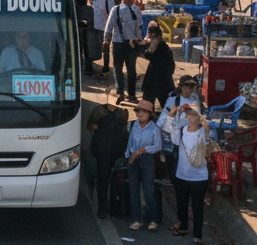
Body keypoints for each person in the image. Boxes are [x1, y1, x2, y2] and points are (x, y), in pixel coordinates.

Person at [170, 105, 211, 245]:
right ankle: (183, 227)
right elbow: (173, 135)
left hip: (199, 177)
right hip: (182, 174)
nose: (191, 116)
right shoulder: (181, 131)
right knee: (181, 203)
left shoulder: (203, 132)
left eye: (194, 114)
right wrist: (175, 114)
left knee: (197, 207)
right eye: (189, 114)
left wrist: (206, 129)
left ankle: (197, 235)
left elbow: (209, 145)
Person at [87, 88, 129, 218]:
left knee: (117, 181)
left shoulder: (123, 112)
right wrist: (100, 127)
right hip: (102, 151)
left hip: (117, 151)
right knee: (103, 180)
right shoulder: (99, 111)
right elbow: (90, 126)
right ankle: (102, 208)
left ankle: (115, 208)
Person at [157, 75, 202, 189]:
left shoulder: (195, 100)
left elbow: (197, 120)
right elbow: (162, 120)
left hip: (185, 140)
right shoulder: (173, 99)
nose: (189, 90)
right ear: (181, 87)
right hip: (170, 138)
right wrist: (171, 114)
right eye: (186, 86)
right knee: (171, 166)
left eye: (192, 87)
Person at [125, 99, 162, 230]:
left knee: (148, 190)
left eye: (144, 112)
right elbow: (129, 142)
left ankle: (153, 219)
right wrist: (129, 155)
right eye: (138, 111)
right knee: (133, 190)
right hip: (133, 160)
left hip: (147, 160)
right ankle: (137, 219)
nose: (140, 114)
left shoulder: (154, 128)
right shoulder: (133, 125)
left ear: (150, 114)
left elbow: (157, 146)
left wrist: (141, 150)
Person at [104, 0, 144, 103]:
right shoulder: (118, 10)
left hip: (127, 43)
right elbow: (109, 27)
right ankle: (123, 93)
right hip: (120, 43)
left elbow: (108, 27)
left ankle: (126, 93)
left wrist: (105, 40)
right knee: (121, 69)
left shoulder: (135, 10)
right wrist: (105, 40)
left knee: (127, 69)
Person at [138, 22, 176, 108]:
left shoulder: (159, 46)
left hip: (160, 79)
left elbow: (149, 54)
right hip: (159, 78)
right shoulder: (161, 45)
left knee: (165, 105)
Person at [87, 0, 112, 75]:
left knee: (105, 48)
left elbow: (111, 14)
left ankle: (106, 66)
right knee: (94, 46)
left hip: (105, 28)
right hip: (95, 27)